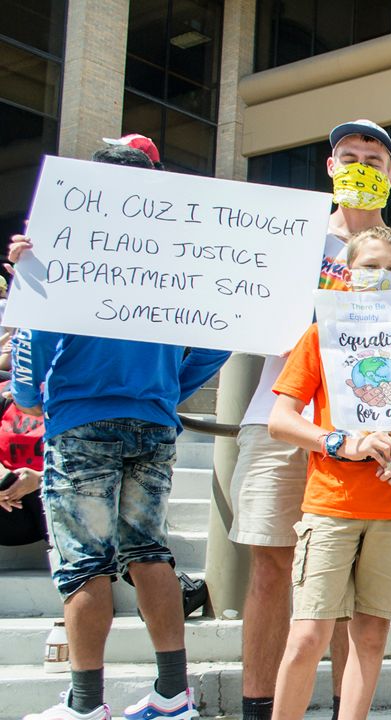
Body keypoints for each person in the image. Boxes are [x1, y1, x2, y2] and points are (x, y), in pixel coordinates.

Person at [228, 119, 391, 720]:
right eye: (347, 156)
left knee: (354, 590)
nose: (359, 166)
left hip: (379, 433)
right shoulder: (288, 237)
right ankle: (260, 704)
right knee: (274, 565)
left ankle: (338, 707)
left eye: (372, 160)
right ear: (330, 166)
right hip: (288, 416)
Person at [13, 142, 229, 720]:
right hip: (152, 422)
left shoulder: (65, 244)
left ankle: (86, 705)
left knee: (84, 563)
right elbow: (220, 334)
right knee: (150, 553)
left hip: (81, 418)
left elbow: (35, 332)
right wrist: (169, 389)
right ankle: (173, 694)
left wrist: (31, 396)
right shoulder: (172, 257)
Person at [267, 226, 391, 720]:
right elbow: (280, 421)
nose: (382, 276)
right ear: (346, 273)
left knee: (370, 638)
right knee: (308, 635)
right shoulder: (318, 337)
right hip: (330, 504)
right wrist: (341, 442)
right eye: (370, 266)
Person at [0, 377, 46, 547]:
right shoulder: (4, 394)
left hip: (56, 493)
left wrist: (40, 479)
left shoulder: (79, 396)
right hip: (9, 503)